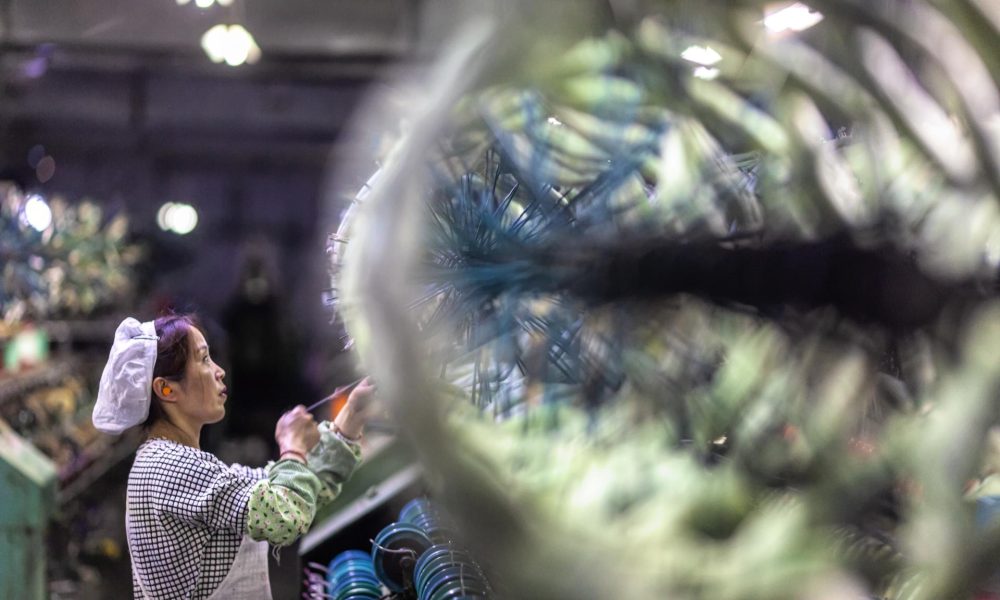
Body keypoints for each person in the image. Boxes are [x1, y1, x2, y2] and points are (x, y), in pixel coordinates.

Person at [92, 314, 374, 600]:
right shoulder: (170, 466)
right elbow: (285, 516)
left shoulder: (175, 461)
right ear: (166, 389)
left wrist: (351, 416)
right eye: (203, 360)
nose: (219, 371)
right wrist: (291, 446)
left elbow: (291, 489)